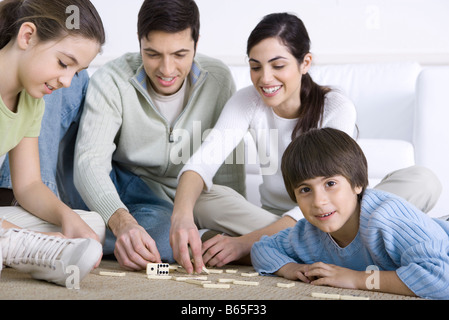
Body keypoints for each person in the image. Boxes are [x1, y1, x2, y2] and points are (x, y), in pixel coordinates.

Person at [172, 12, 442, 273]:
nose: (265, 79)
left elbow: (335, 189)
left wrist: (244, 242)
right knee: (201, 198)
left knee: (422, 179)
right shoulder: (247, 101)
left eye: (278, 65)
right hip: (277, 219)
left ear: (305, 63)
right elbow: (203, 162)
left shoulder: (335, 105)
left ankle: (271, 249)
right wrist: (181, 219)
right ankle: (344, 251)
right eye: (255, 67)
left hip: (339, 216)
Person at [73, 0, 245, 271]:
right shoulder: (112, 79)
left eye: (179, 54)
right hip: (118, 182)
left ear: (196, 43)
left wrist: (230, 230)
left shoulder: (218, 79)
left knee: (164, 242)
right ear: (139, 42)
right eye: (152, 54)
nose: (166, 70)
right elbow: (89, 162)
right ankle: (89, 228)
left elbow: (227, 161)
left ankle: (80, 231)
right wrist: (122, 222)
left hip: (167, 205)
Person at [251, 127, 449, 300]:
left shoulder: (386, 218)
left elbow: (441, 278)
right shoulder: (307, 233)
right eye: (305, 190)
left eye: (330, 184)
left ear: (357, 184)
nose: (319, 201)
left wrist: (357, 279)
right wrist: (290, 269)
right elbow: (263, 248)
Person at [0, 0, 105, 286]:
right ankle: (21, 246)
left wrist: (66, 216)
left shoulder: (31, 102)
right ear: (27, 36)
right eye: (63, 63)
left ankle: (19, 245)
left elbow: (29, 185)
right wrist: (29, 237)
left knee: (91, 227)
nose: (68, 82)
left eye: (77, 71)